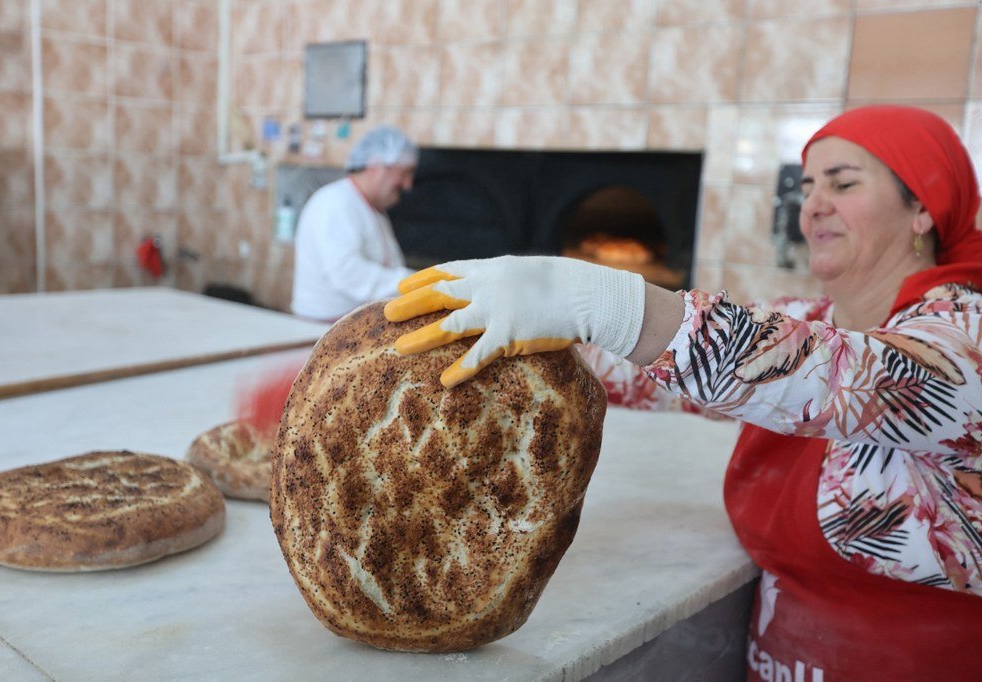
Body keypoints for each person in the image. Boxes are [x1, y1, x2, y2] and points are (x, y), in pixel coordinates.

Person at [383, 106, 982, 679]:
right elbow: (660, 372)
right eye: (807, 186)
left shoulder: (965, 335)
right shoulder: (813, 316)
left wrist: (601, 301)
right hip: (780, 654)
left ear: (922, 209)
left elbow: (834, 375)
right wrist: (505, 342)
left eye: (844, 184)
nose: (813, 206)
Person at [290, 125, 417, 321]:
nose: (408, 185)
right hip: (324, 329)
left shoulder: (370, 208)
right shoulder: (336, 202)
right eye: (405, 173)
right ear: (377, 167)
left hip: (354, 325)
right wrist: (414, 283)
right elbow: (347, 272)